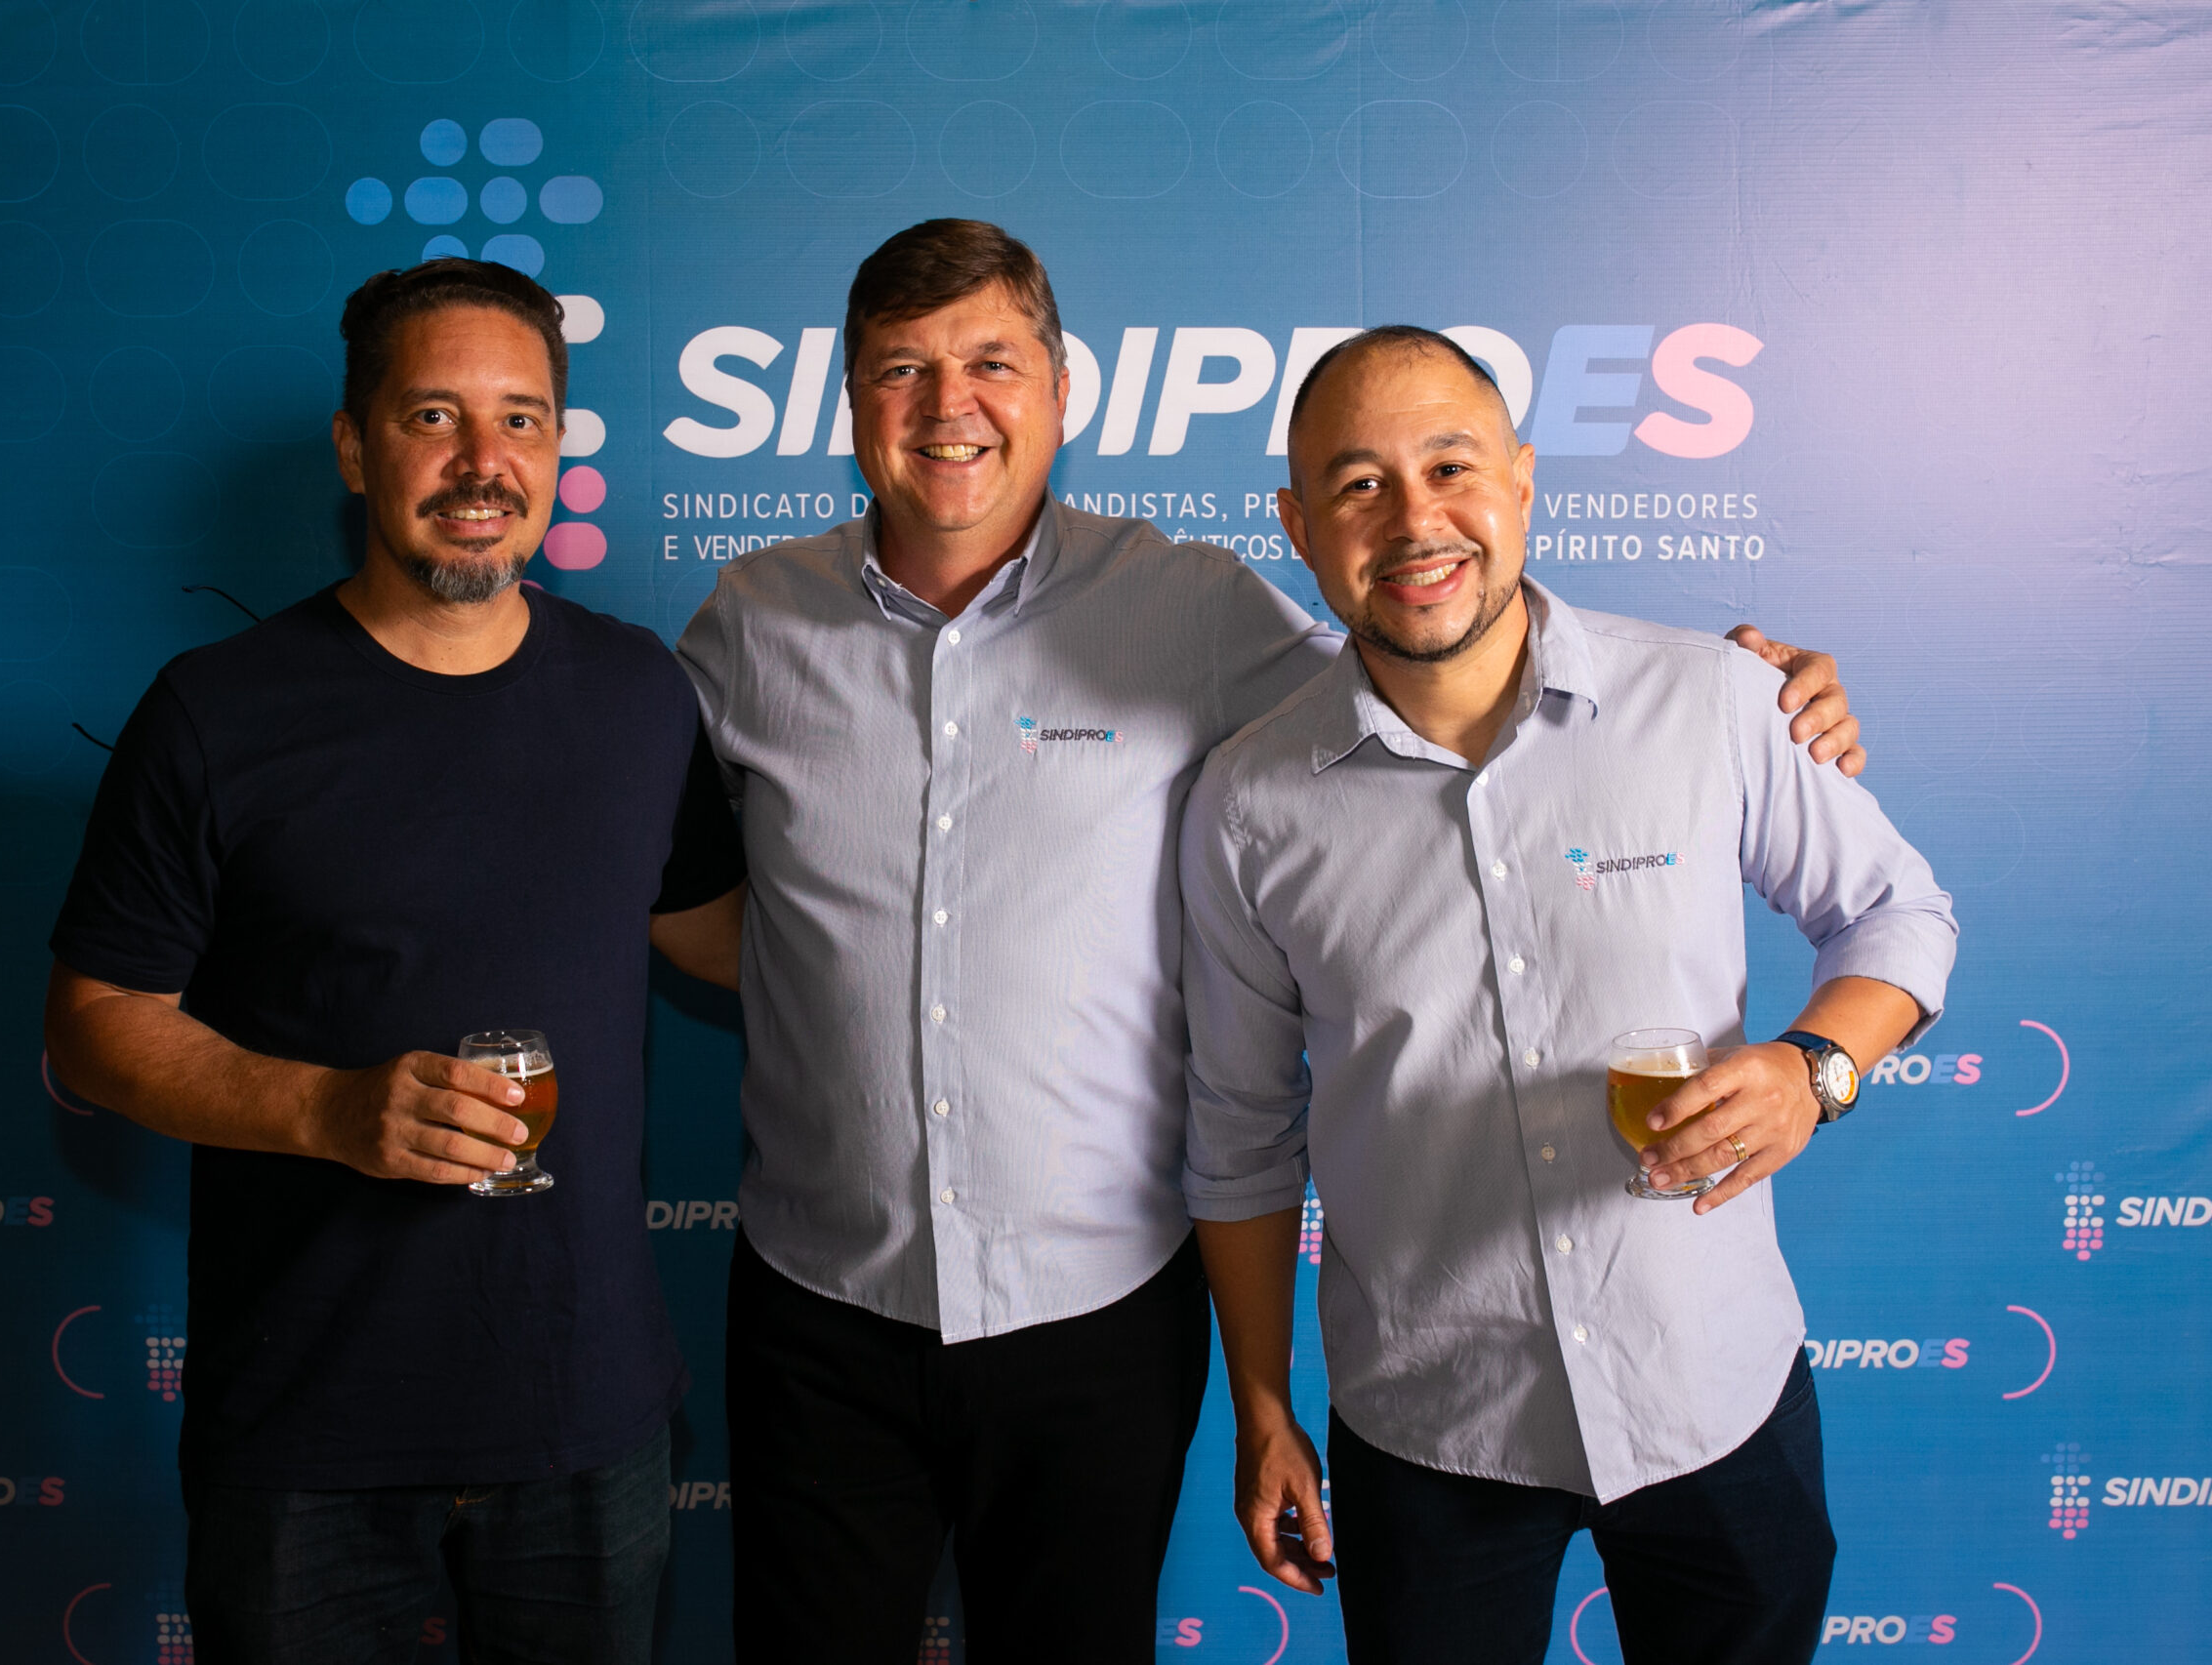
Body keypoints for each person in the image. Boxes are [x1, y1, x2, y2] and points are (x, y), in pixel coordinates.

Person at [676, 221, 1869, 1661]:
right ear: (850, 399)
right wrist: (820, 981)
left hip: (1094, 1309)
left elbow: (1421, 664)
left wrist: (1746, 697)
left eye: (991, 362)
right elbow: (661, 859)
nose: (950, 406)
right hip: (819, 1296)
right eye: (900, 370)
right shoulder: (748, 620)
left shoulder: (1189, 603)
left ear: (1060, 388)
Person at [1179, 326, 1958, 1664]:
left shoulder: (1712, 698)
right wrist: (1262, 1403)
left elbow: (1899, 912)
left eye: (1451, 467)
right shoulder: (1249, 804)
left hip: (1712, 1387)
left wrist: (1813, 1069)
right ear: (1300, 528)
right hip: (1432, 1425)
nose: (1414, 519)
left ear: (1524, 481)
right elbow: (1240, 1131)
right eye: (1359, 484)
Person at [42, 259, 745, 1665]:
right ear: (356, 447)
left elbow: (714, 931)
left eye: (522, 419)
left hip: (583, 1421)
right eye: (434, 416)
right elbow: (95, 1020)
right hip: (307, 1438)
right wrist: (327, 1109)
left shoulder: (639, 692)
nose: (484, 462)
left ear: (559, 445)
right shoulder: (215, 712)